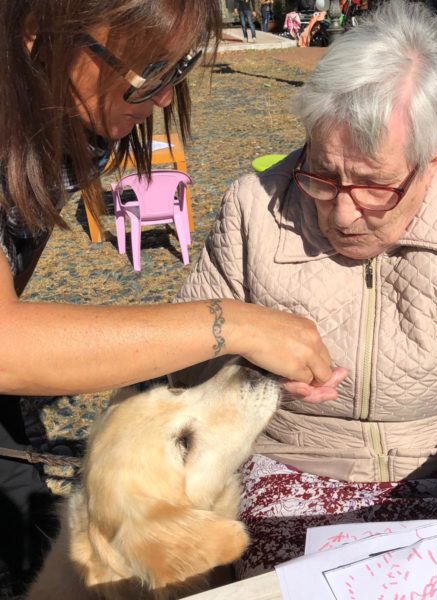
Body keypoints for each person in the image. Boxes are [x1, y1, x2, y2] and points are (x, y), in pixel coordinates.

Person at [173, 1, 437, 596]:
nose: (343, 213)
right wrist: (250, 367)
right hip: (295, 475)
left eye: (375, 185)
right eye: (321, 174)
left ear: (432, 159)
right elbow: (179, 372)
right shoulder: (254, 210)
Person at [0, 1, 334, 594]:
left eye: (176, 70)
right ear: (36, 36)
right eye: (148, 73)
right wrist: (231, 324)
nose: (161, 99)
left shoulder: (64, 115)